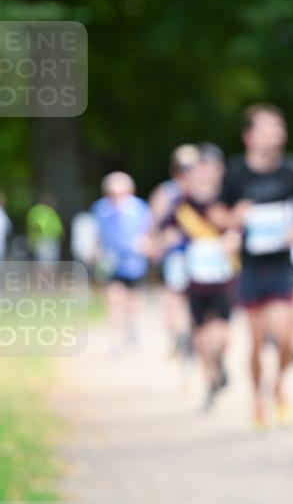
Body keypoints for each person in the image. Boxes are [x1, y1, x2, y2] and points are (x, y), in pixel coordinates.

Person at [215, 104, 293, 429]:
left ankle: (279, 386)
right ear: (249, 136)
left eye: (279, 127)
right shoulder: (235, 173)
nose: (277, 133)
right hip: (250, 267)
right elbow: (218, 215)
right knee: (258, 341)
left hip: (282, 265)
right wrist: (233, 221)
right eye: (268, 128)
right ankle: (258, 400)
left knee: (285, 336)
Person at [163, 144, 239, 409]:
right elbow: (165, 230)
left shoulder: (228, 199)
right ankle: (210, 378)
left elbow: (241, 226)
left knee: (222, 333)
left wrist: (234, 238)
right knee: (200, 331)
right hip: (195, 278)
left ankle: (218, 361)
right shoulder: (182, 204)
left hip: (224, 277)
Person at [91, 171, 152, 351]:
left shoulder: (139, 208)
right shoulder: (100, 209)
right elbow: (96, 233)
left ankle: (131, 328)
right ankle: (116, 340)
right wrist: (95, 252)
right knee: (113, 299)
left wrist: (146, 244)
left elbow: (149, 232)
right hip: (111, 261)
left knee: (133, 301)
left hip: (134, 263)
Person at [150, 145, 200, 359]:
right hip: (176, 254)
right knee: (175, 296)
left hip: (200, 254)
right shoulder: (166, 192)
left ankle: (192, 336)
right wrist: (159, 243)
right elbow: (155, 224)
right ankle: (179, 336)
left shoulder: (203, 190)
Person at [26, 195, 63, 263]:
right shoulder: (40, 210)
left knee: (50, 262)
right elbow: (37, 225)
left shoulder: (50, 211)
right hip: (44, 240)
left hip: (51, 240)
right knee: (44, 262)